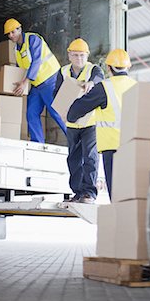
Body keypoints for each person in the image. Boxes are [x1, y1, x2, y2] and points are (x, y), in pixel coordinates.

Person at [67, 49, 136, 200]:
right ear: (128, 67)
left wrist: (71, 117)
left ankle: (119, 221)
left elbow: (74, 112)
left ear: (109, 68)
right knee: (133, 194)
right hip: (134, 147)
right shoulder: (136, 86)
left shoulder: (105, 87)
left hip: (112, 148)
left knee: (117, 196)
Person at [57, 38, 105, 204]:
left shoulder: (93, 69)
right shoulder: (63, 72)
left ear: (87, 55)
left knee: (90, 158)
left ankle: (89, 193)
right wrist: (62, 112)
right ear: (69, 55)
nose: (79, 58)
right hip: (71, 125)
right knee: (73, 159)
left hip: (90, 123)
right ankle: (77, 192)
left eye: (82, 55)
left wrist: (92, 83)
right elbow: (56, 94)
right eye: (75, 55)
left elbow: (99, 78)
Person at [4, 18, 66, 143]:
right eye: (8, 34)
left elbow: (36, 61)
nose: (11, 35)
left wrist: (25, 82)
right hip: (37, 84)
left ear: (20, 29)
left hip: (51, 79)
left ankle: (77, 141)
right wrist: (19, 84)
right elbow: (20, 69)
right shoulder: (16, 49)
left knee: (57, 113)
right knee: (31, 112)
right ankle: (37, 142)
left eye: (13, 32)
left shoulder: (32, 39)